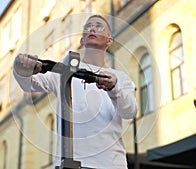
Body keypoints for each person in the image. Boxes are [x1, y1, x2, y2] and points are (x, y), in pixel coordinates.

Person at [13, 14, 138, 169]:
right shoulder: (63, 70)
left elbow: (130, 112)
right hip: (69, 164)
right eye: (87, 26)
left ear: (109, 41)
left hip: (111, 164)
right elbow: (29, 84)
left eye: (99, 26)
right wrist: (21, 68)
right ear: (82, 40)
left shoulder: (120, 77)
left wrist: (114, 88)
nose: (92, 28)